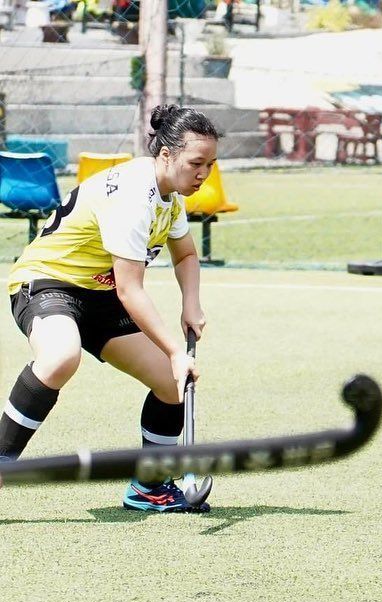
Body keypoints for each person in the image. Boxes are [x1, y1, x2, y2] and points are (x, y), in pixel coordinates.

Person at [0, 105, 219, 513]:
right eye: (196, 163)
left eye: (210, 164)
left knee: (170, 383)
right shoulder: (135, 195)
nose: (203, 174)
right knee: (60, 357)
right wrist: (176, 350)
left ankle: (149, 488)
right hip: (49, 282)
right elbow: (131, 291)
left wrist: (191, 304)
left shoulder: (169, 196)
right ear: (166, 154)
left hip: (99, 294)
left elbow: (187, 254)